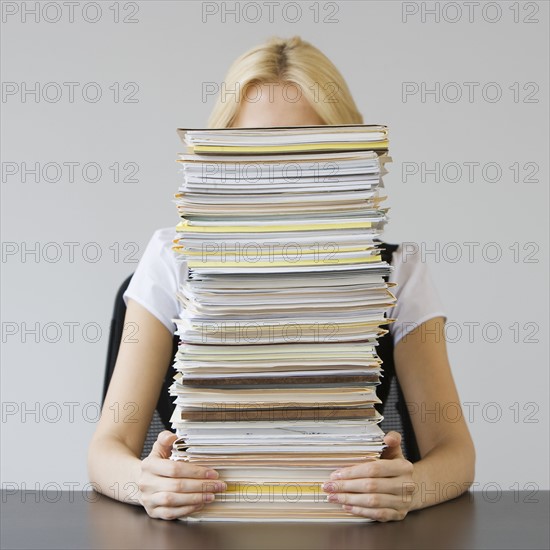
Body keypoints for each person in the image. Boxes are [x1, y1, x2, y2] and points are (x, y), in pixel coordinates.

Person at [88, 36, 475, 522]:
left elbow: (455, 453)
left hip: (349, 529)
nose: (279, 174)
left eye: (306, 153)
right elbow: (108, 450)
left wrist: (412, 486)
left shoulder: (398, 270)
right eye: (256, 151)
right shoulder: (173, 259)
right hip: (206, 529)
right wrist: (143, 482)